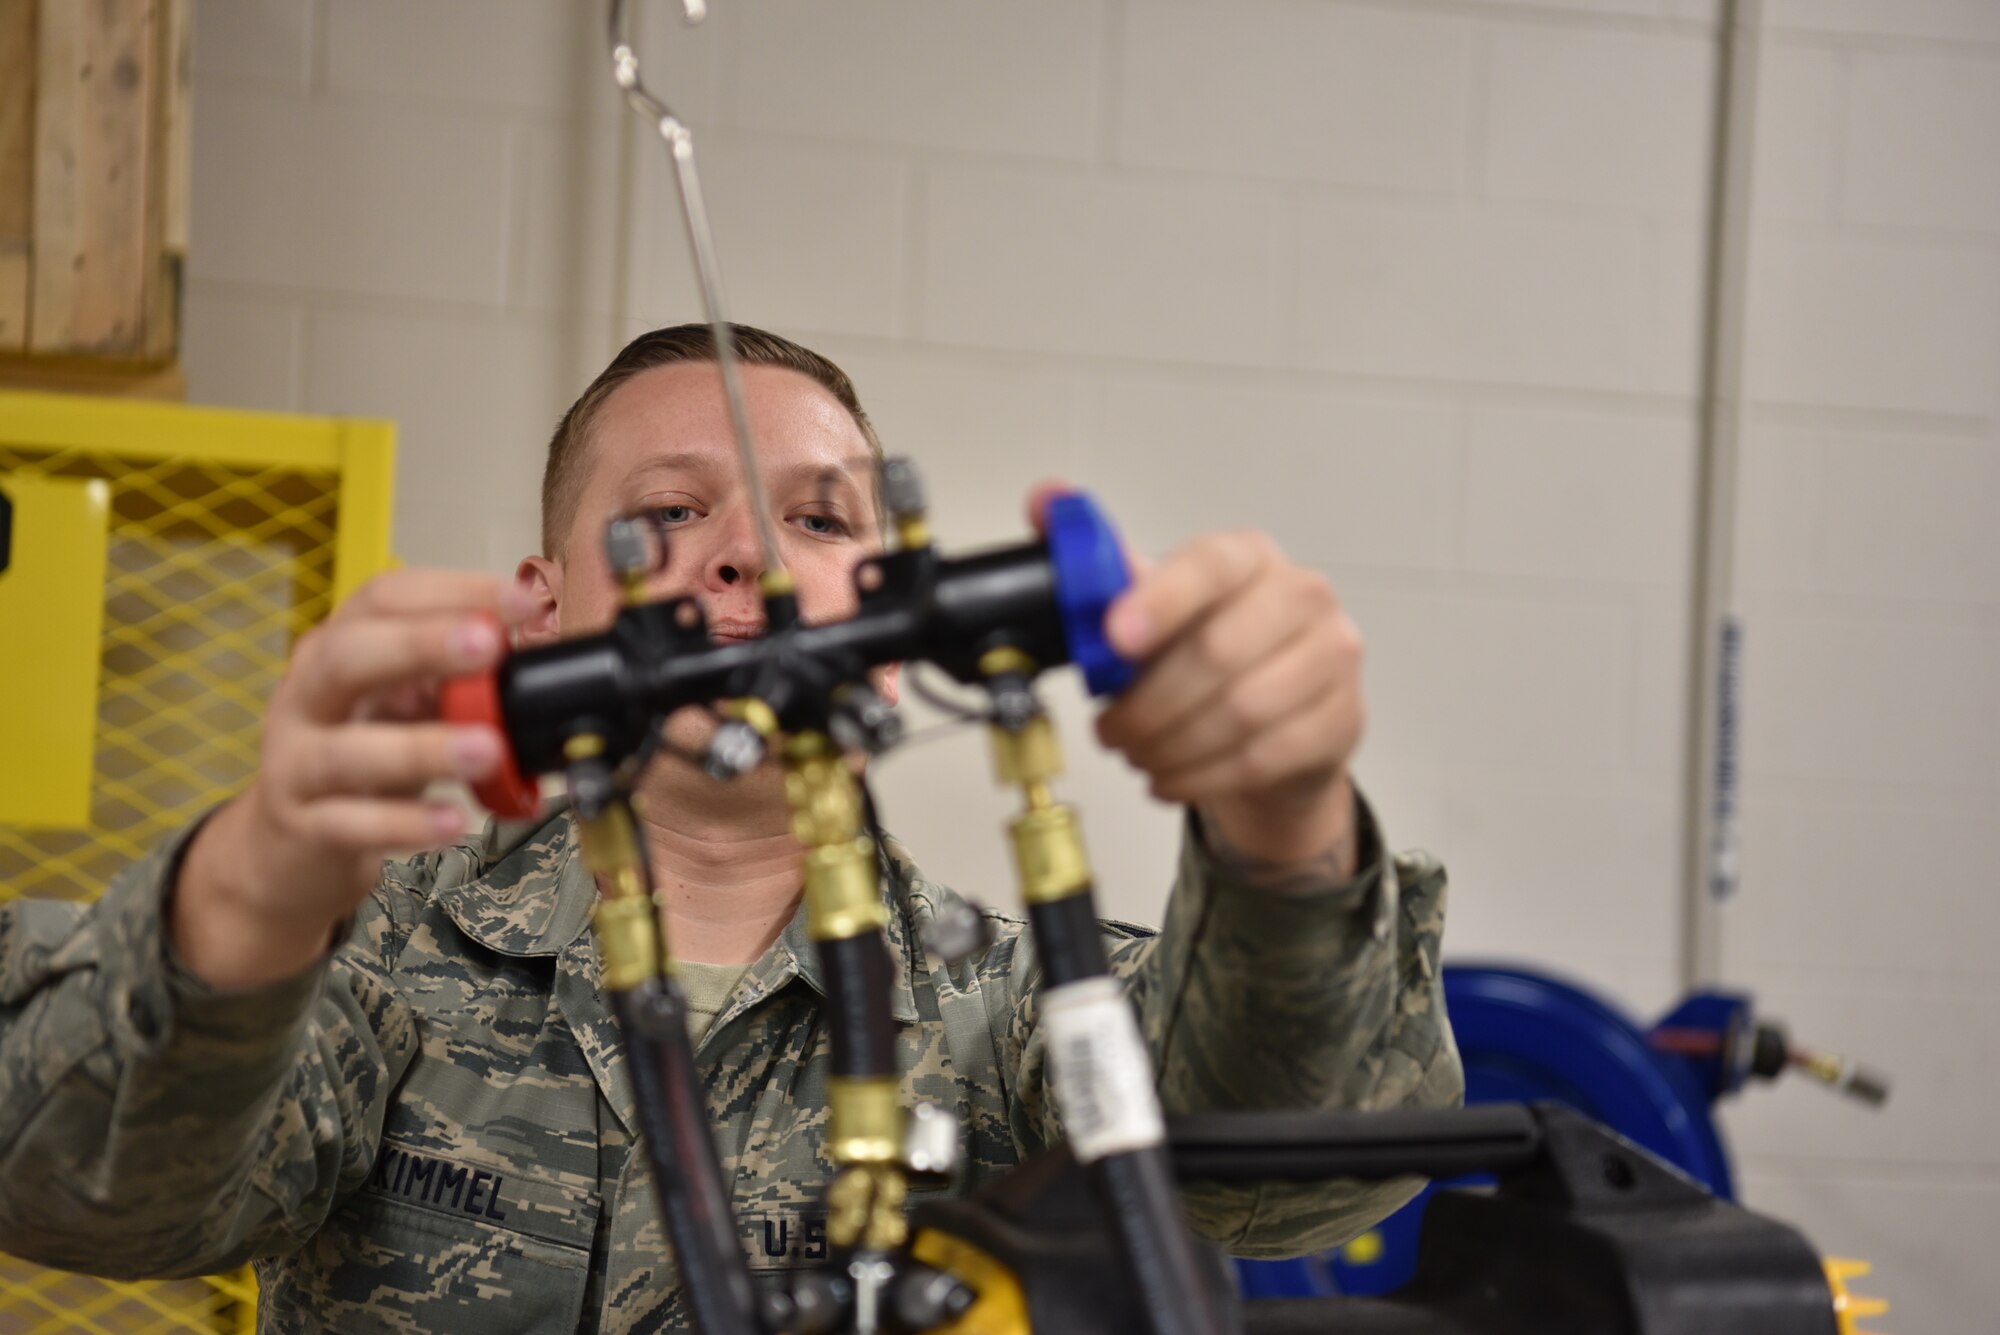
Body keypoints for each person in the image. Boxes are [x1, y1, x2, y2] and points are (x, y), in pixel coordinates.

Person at [0, 324, 1462, 1333]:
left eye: (820, 523)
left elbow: (1306, 1179)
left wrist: (1289, 834)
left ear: (892, 629)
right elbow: (81, 1194)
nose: (749, 554)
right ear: (549, 607)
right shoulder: (372, 955)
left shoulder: (1007, 1001)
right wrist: (256, 889)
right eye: (663, 517)